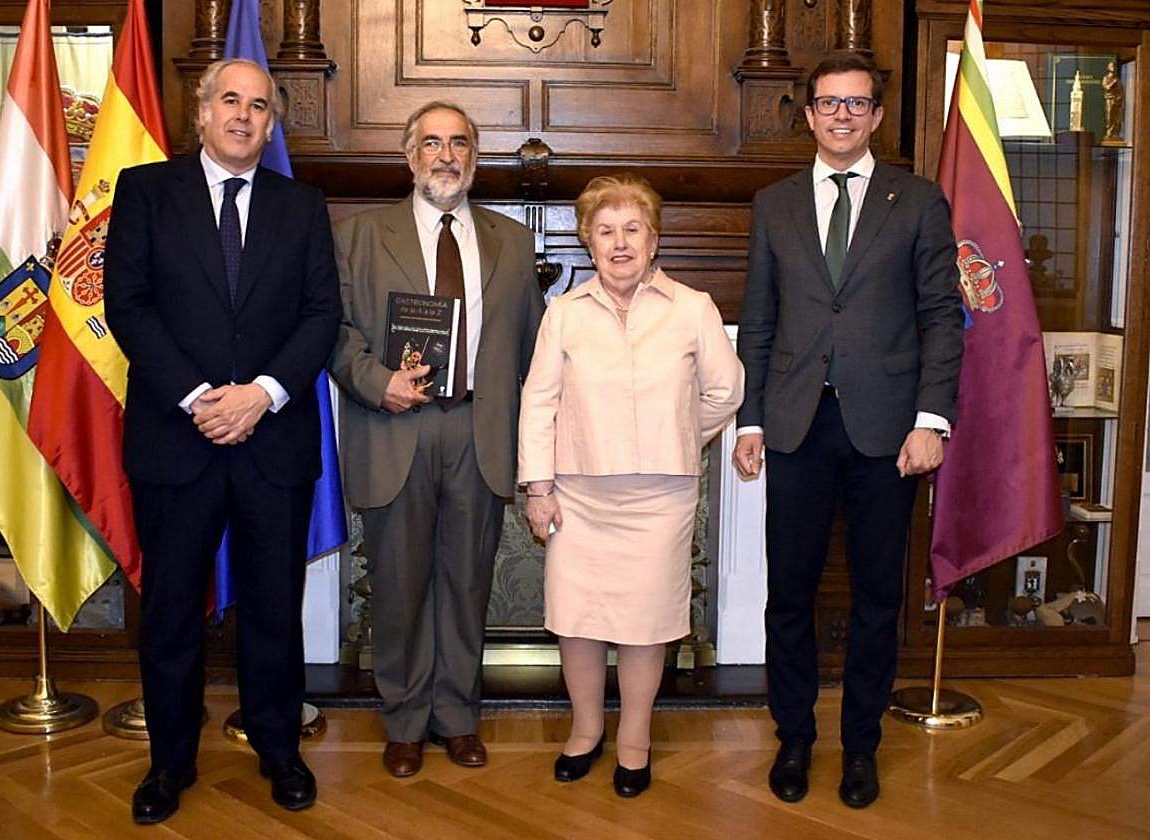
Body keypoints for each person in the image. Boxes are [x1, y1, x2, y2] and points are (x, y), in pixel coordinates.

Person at [106, 58, 340, 824]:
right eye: (230, 101)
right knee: (171, 610)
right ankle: (169, 761)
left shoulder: (301, 207)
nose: (244, 115)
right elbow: (128, 306)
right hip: (179, 437)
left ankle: (279, 747)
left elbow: (320, 316)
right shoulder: (146, 193)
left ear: (272, 125)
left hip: (272, 439)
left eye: (259, 106)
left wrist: (262, 395)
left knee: (275, 606)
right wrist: (202, 398)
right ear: (201, 114)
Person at [732, 51, 963, 810]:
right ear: (808, 115)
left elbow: (939, 318)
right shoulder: (774, 204)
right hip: (796, 424)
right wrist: (752, 417)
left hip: (888, 431)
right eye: (828, 103)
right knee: (788, 594)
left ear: (874, 116)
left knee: (874, 599)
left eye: (856, 104)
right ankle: (793, 736)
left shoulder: (920, 201)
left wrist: (933, 420)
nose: (841, 115)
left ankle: (860, 746)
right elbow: (760, 321)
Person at [329, 101, 544, 778]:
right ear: (408, 155)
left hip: (479, 429)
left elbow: (535, 350)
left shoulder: (511, 241)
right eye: (430, 142)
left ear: (474, 159)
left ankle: (456, 717)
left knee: (465, 583)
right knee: (397, 584)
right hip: (393, 425)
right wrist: (375, 381)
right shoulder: (359, 237)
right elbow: (332, 333)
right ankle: (404, 719)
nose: (444, 155)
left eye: (459, 143)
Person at [519, 174, 743, 798]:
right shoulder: (562, 314)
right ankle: (586, 731)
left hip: (660, 499)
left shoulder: (693, 308)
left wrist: (677, 432)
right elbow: (537, 403)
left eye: (632, 230)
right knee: (578, 620)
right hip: (577, 496)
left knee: (647, 623)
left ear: (653, 239)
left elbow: (727, 390)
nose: (620, 243)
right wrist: (538, 488)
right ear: (588, 243)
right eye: (605, 231)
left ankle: (636, 739)